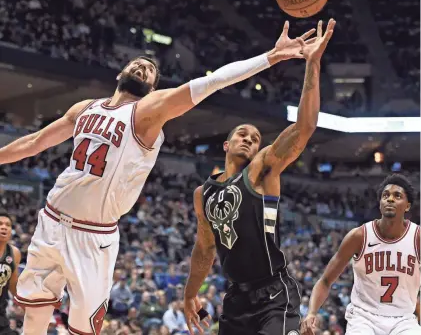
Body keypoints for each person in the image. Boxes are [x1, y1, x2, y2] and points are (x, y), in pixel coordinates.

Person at [0, 21, 315, 335]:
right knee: (35, 312)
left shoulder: (147, 111)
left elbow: (214, 82)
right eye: (137, 63)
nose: (142, 66)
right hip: (51, 220)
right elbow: (33, 142)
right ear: (120, 72)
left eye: (150, 69)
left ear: (152, 89)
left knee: (82, 330)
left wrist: (271, 56)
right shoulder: (85, 108)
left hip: (92, 235)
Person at [184, 19, 336, 335]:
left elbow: (304, 128)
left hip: (274, 293)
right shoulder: (204, 193)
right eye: (242, 134)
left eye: (255, 138)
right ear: (226, 144)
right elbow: (204, 248)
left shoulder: (262, 169)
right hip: (236, 299)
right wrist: (189, 295)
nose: (250, 139)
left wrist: (313, 64)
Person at [301, 173, 421, 335]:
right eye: (385, 196)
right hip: (364, 318)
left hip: (403, 319)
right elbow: (326, 280)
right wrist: (311, 313)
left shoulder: (417, 237)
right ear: (380, 204)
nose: (390, 199)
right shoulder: (359, 236)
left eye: (397, 195)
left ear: (407, 206)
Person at [0, 210, 21, 335]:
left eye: (8, 225)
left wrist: (26, 303)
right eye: (0, 224)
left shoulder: (14, 253)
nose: (4, 227)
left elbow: (13, 286)